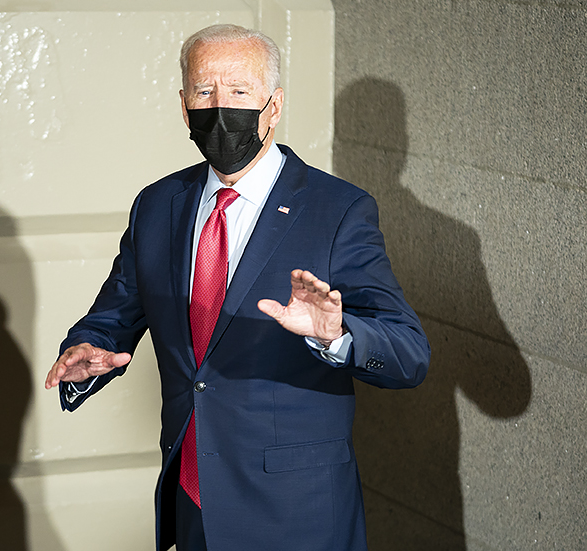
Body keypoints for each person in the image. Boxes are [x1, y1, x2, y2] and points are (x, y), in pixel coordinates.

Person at [44, 24, 430, 551]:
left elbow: (409, 353)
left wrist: (338, 335)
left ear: (273, 106)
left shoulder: (338, 210)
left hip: (297, 512)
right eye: (205, 92)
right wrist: (87, 349)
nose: (220, 107)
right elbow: (115, 313)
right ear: (184, 106)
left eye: (240, 92)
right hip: (192, 502)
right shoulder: (158, 205)